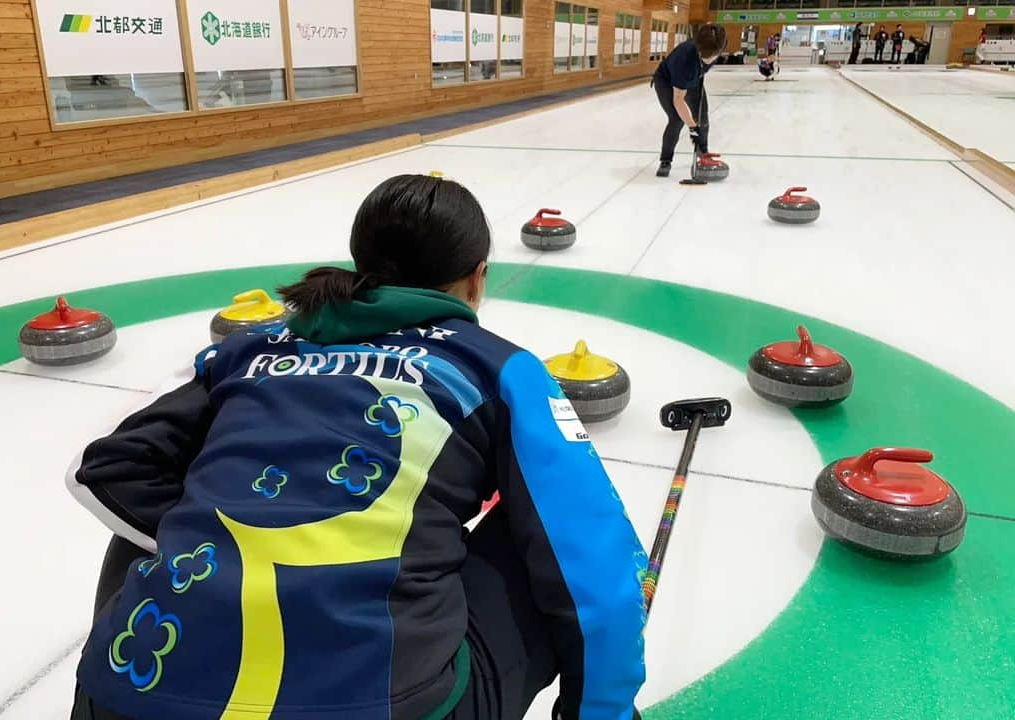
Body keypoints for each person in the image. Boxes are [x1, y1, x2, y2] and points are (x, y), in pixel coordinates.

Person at [65, 174, 648, 720]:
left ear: (362, 264)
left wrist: (228, 541)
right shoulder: (494, 366)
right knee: (548, 531)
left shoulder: (254, 345)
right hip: (385, 701)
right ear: (476, 277)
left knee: (156, 525)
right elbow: (596, 561)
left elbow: (113, 466)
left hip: (122, 697)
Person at [650, 23, 728, 178]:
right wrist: (692, 128)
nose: (710, 60)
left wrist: (697, 126)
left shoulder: (719, 41)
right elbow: (678, 100)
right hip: (666, 80)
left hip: (693, 77)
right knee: (677, 119)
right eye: (706, 57)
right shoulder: (684, 61)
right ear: (699, 50)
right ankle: (665, 160)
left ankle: (703, 154)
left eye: (713, 56)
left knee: (702, 118)